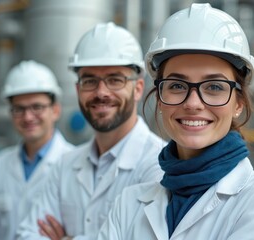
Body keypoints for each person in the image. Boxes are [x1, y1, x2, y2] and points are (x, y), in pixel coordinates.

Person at [98, 3, 254, 240]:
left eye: (214, 87)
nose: (193, 103)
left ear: (238, 103)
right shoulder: (128, 203)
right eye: (177, 86)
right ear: (160, 98)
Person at [16, 22, 165, 240]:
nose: (101, 92)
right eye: (90, 81)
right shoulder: (64, 165)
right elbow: (26, 234)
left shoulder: (159, 164)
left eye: (115, 79)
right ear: (77, 89)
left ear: (138, 89)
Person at [0, 60, 75, 240]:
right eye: (19, 109)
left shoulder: (76, 163)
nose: (28, 117)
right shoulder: (0, 163)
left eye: (37, 107)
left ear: (56, 110)